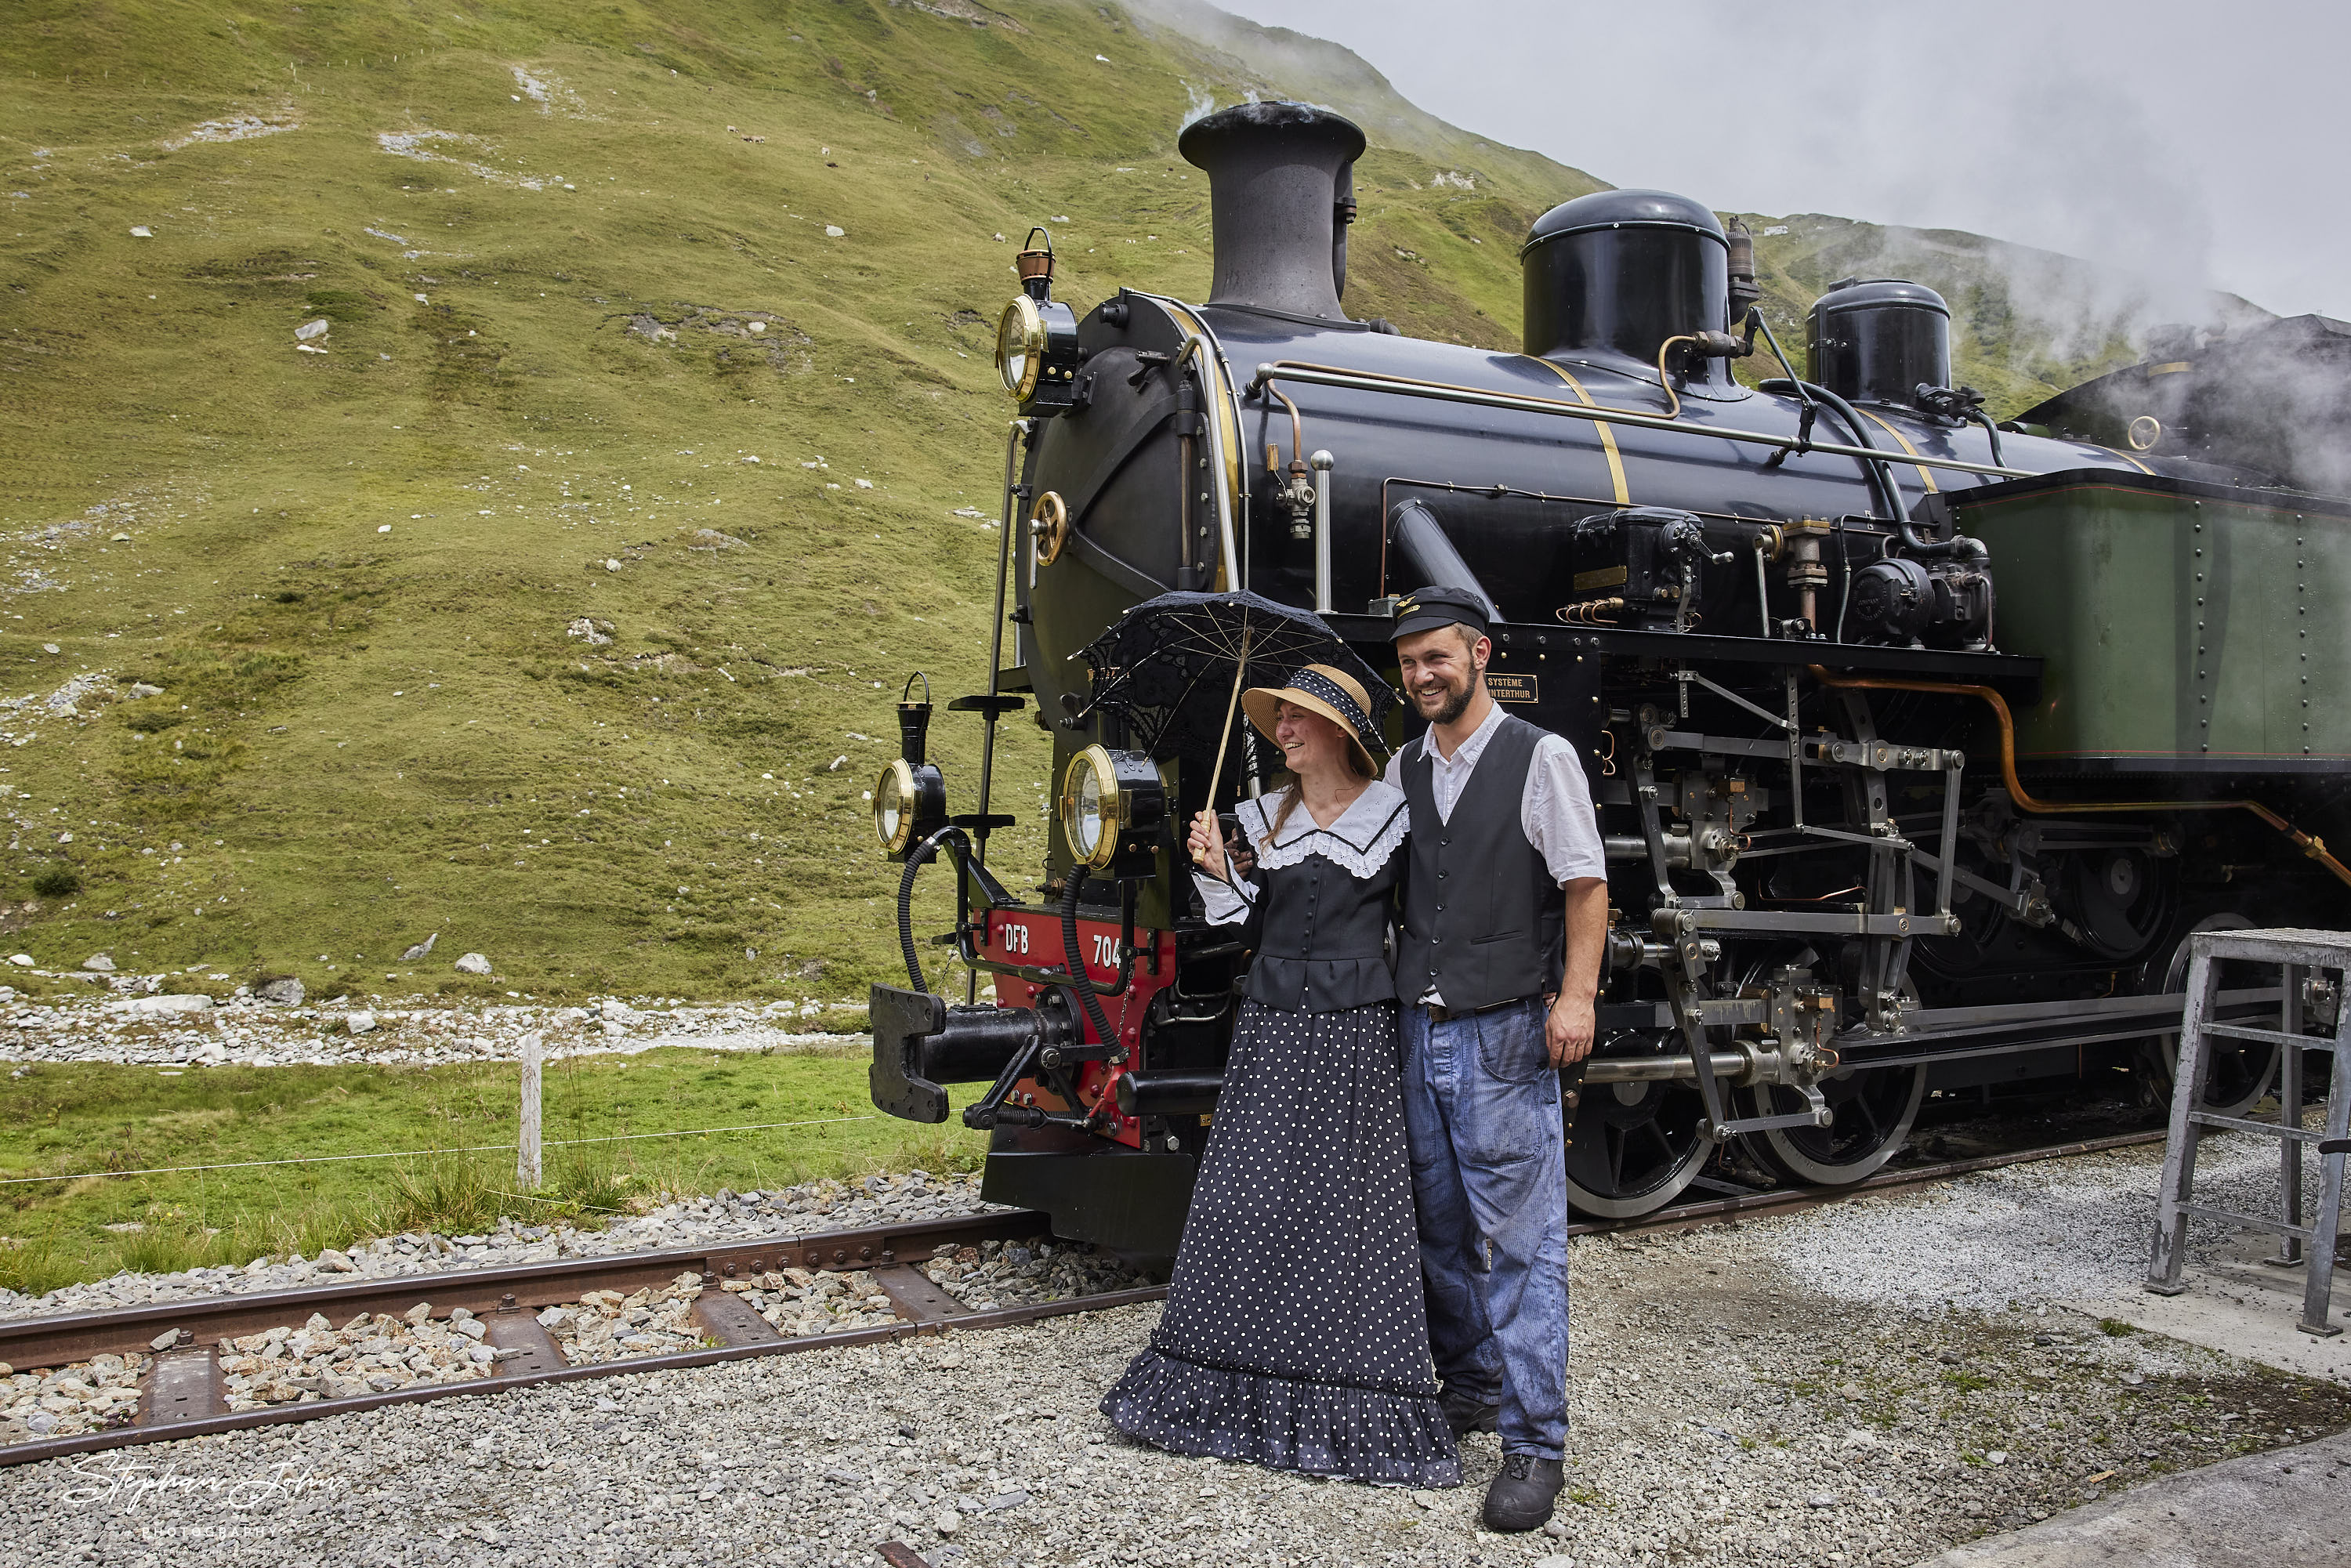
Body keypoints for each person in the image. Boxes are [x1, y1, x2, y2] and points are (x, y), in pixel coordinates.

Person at [1101, 664, 1461, 1488]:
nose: (1282, 733)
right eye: (1278, 722)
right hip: (1269, 1028)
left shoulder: (1394, 816)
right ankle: (1226, 1382)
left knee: (1345, 1208)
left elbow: (1425, 924)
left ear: (1338, 730)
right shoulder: (1265, 817)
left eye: (1296, 721)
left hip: (1355, 1032)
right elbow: (1244, 923)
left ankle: (1343, 1397)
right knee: (1248, 1195)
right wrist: (1217, 868)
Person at [1383, 585, 1610, 1533]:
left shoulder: (1539, 755)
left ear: (1479, 652)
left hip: (1506, 1031)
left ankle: (1536, 1445)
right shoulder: (1405, 765)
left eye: (1438, 657)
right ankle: (1471, 1387)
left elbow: (1586, 886)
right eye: (1408, 663)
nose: (1423, 675)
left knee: (1521, 1249)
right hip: (1420, 1030)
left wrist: (1577, 997)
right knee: (1438, 1233)